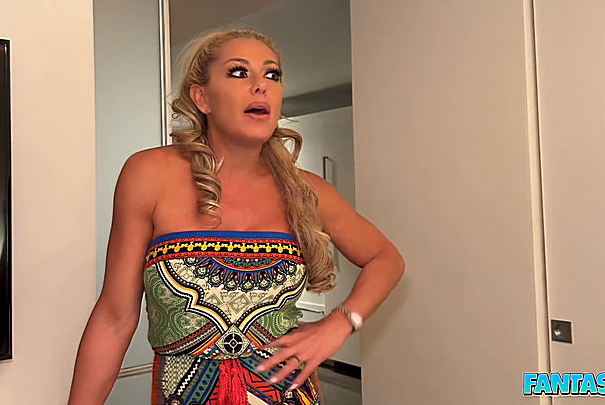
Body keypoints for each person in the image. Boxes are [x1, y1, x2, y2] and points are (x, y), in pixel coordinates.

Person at [68, 28, 405, 405]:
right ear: (201, 97)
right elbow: (114, 318)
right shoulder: (149, 174)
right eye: (239, 72)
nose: (260, 85)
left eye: (272, 74)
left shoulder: (305, 191)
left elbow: (386, 259)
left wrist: (340, 324)